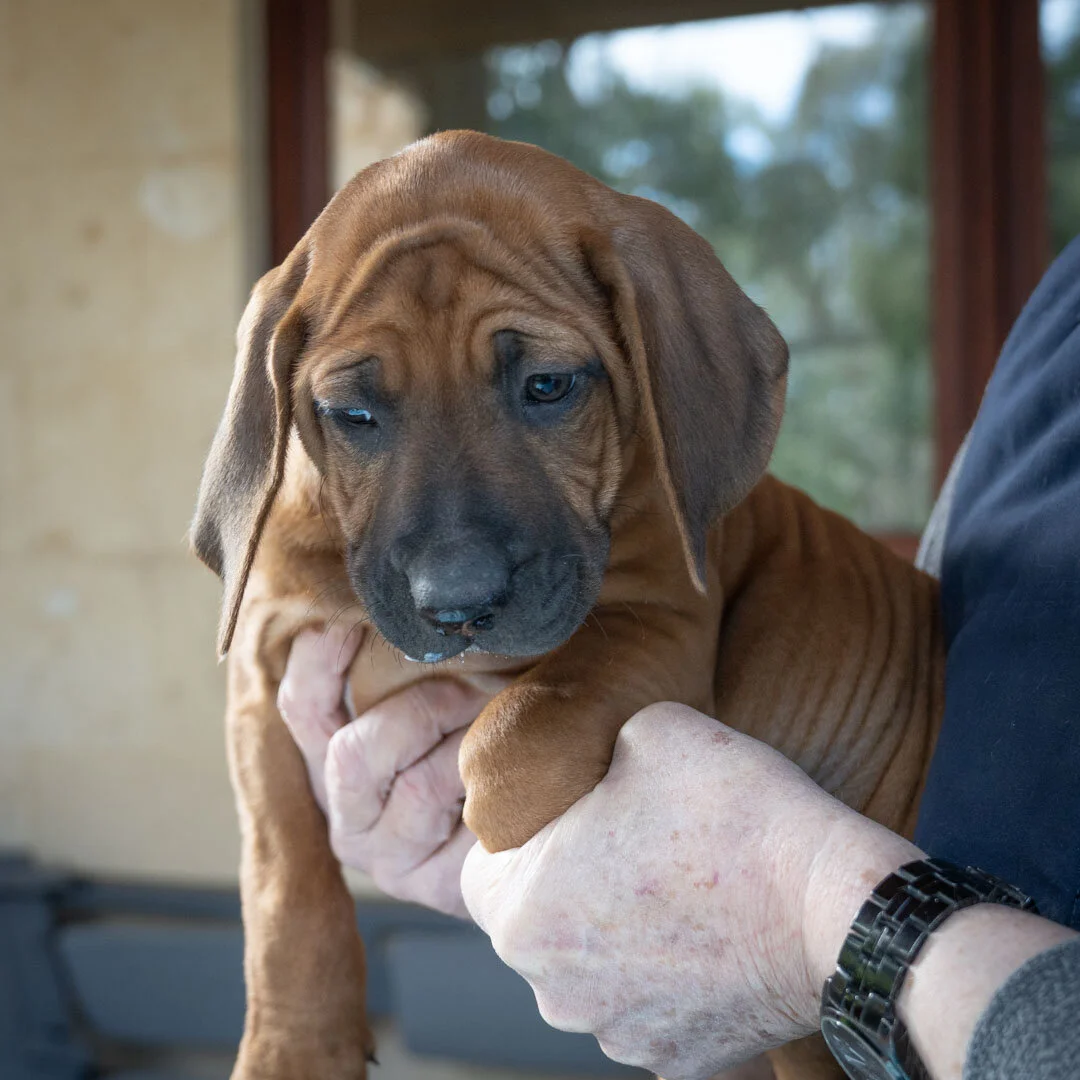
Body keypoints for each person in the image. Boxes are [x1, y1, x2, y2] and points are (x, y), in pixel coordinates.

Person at [278, 236, 1080, 1080]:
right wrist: (554, 887)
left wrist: (827, 917)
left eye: (545, 385)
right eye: (355, 412)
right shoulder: (1060, 302)